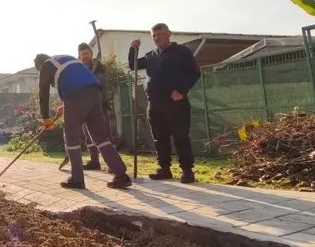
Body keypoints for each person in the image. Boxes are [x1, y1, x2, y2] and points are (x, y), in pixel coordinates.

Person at [34, 53, 131, 189]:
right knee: (100, 137)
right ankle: (121, 175)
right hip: (95, 92)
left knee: (71, 137)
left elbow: (43, 92)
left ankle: (77, 178)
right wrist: (66, 103)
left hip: (76, 96)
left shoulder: (45, 65)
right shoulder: (66, 58)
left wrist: (45, 118)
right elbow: (76, 81)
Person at [129, 23, 201, 183]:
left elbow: (194, 73)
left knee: (180, 136)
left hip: (175, 102)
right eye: (153, 35)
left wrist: (181, 90)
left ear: (169, 34)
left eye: (159, 34)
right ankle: (164, 169)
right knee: (159, 137)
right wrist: (133, 49)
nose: (156, 38)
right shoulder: (150, 55)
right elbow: (132, 65)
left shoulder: (182, 52)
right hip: (154, 103)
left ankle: (187, 170)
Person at [76, 42, 121, 171]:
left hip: (100, 105)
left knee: (105, 133)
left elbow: (99, 80)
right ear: (79, 56)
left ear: (91, 54)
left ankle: (113, 164)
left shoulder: (99, 67)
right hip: (85, 106)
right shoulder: (78, 69)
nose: (85, 56)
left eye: (87, 53)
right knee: (88, 135)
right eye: (83, 54)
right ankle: (94, 161)